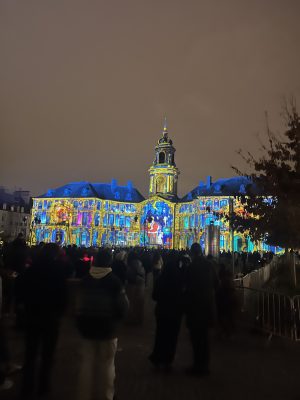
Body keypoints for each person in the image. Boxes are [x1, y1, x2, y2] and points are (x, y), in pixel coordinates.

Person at [76, 248, 128, 400]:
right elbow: (123, 306)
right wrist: (118, 318)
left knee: (86, 364)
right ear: (109, 262)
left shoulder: (85, 279)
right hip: (107, 327)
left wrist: (80, 320)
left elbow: (78, 304)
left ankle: (83, 395)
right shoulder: (114, 281)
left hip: (86, 327)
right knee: (107, 364)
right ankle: (106, 395)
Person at [19, 243, 67, 397]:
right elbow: (63, 295)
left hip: (32, 315)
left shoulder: (31, 269)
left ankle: (26, 388)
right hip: (51, 317)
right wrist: (59, 312)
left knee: (30, 353)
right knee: (47, 355)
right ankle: (43, 387)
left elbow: (21, 290)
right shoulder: (58, 270)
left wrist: (25, 307)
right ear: (55, 255)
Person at [149, 253, 188, 370]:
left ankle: (157, 357)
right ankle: (168, 360)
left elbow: (154, 296)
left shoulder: (161, 279)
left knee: (160, 335)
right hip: (175, 312)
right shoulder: (180, 280)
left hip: (162, 311)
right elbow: (183, 295)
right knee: (172, 337)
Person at [184, 243, 216, 376]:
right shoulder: (209, 265)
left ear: (192, 253)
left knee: (196, 339)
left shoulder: (191, 267)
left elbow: (186, 286)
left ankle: (198, 366)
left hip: (195, 307)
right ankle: (205, 366)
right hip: (207, 306)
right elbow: (217, 283)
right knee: (205, 338)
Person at [126, 251, 145, 325]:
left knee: (131, 302)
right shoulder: (139, 263)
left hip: (132, 284)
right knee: (139, 302)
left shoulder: (130, 263)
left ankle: (131, 318)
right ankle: (139, 319)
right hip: (140, 284)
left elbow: (128, 274)